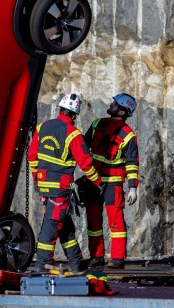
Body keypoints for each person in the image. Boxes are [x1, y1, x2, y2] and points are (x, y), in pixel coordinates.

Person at [28, 93, 102, 273]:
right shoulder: (73, 134)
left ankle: (76, 263)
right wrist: (98, 182)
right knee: (51, 227)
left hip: (44, 186)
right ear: (74, 114)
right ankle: (42, 266)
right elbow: (85, 163)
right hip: (60, 188)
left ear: (59, 109)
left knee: (64, 225)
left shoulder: (42, 127)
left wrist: (37, 179)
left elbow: (32, 156)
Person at [81, 93, 140, 269]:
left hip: (113, 184)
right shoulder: (97, 123)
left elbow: (132, 163)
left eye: (115, 104)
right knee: (93, 221)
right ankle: (96, 256)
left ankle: (117, 258)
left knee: (116, 221)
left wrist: (132, 187)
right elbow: (82, 147)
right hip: (93, 180)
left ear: (122, 111)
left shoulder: (129, 135)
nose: (111, 104)